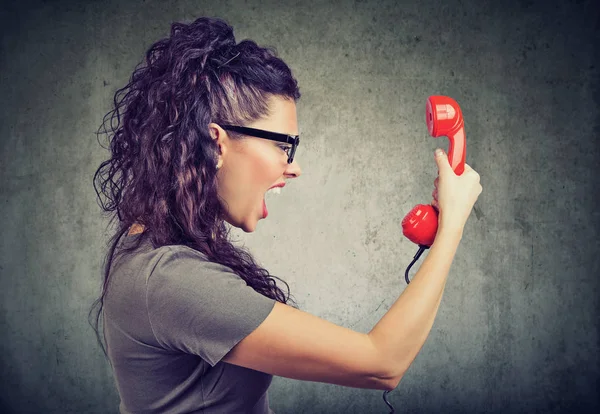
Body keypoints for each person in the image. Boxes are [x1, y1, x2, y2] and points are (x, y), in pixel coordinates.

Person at [90, 16, 482, 414]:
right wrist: (452, 224)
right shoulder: (170, 278)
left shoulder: (155, 246)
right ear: (217, 144)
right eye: (283, 145)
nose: (293, 167)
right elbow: (383, 363)